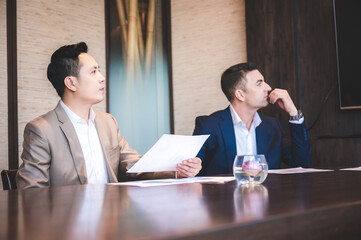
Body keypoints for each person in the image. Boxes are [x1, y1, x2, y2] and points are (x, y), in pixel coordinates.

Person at [16, 42, 201, 189]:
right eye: (93, 72)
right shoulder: (41, 130)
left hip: (113, 219)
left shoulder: (108, 122)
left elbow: (134, 168)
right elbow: (31, 193)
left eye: (99, 70)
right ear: (71, 83)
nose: (102, 77)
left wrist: (178, 170)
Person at [193, 62, 311, 176]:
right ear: (240, 95)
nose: (268, 87)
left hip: (266, 195)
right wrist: (190, 169)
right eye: (259, 83)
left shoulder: (272, 126)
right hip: (225, 195)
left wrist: (293, 112)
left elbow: (302, 164)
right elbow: (192, 170)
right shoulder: (208, 126)